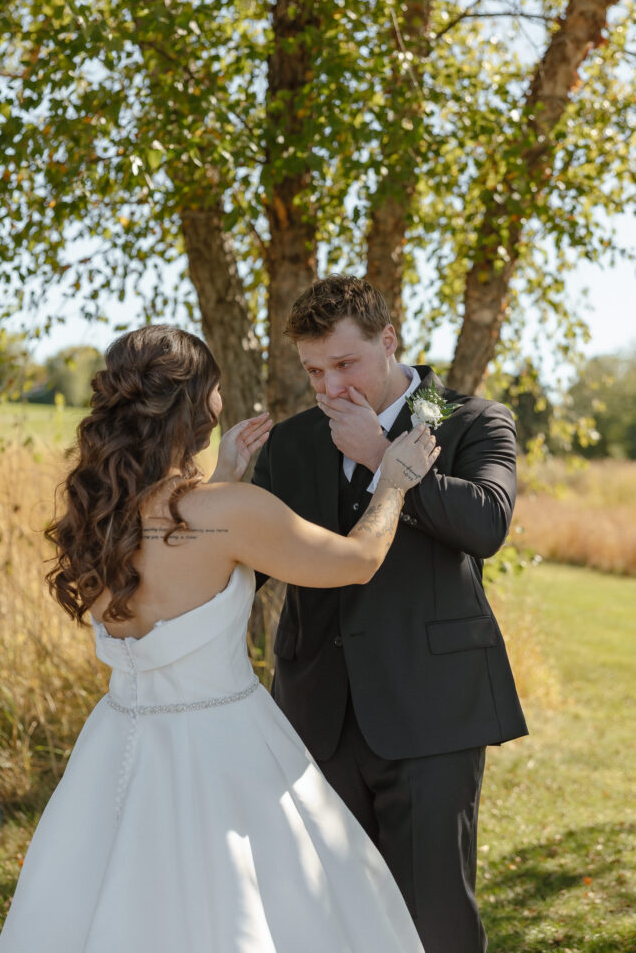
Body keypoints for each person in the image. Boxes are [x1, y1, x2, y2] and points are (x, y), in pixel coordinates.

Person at [0, 323, 439, 953]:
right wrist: (393, 479)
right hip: (227, 749)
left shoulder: (95, 514)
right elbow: (355, 561)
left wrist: (226, 472)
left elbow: (179, 549)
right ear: (200, 403)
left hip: (118, 741)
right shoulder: (230, 513)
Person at [252, 275, 528, 953]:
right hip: (315, 710)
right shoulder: (289, 443)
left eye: (344, 364)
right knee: (330, 913)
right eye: (314, 370)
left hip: (432, 709)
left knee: (433, 914)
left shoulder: (469, 419)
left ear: (388, 341)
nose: (328, 387)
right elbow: (250, 561)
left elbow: (487, 525)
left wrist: (382, 459)